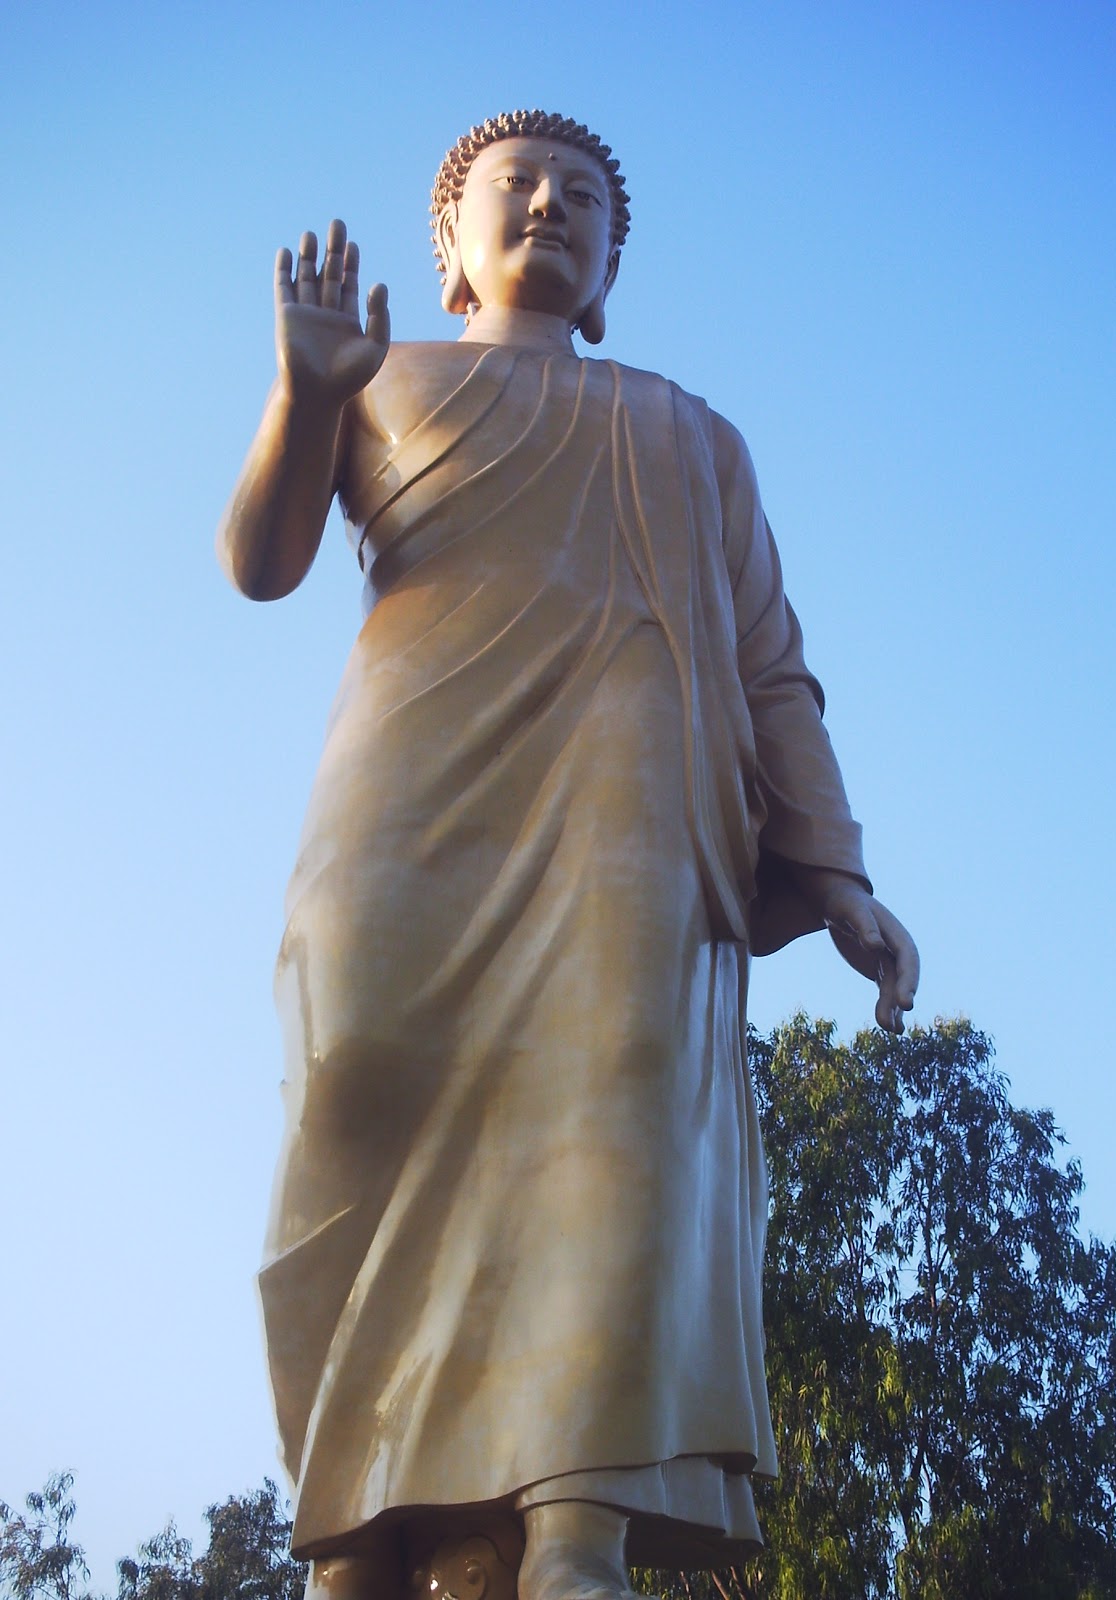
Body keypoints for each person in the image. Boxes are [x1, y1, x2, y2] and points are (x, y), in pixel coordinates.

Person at [218, 110, 918, 1600]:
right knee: (348, 1087)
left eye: (584, 196)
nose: (550, 205)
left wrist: (838, 873)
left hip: (626, 809)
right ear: (452, 245)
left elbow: (772, 668)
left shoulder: (687, 434)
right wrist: (302, 393)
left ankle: (575, 1533)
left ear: (608, 272)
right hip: (405, 792)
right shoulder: (378, 377)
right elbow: (262, 567)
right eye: (516, 185)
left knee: (611, 1115)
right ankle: (359, 1531)